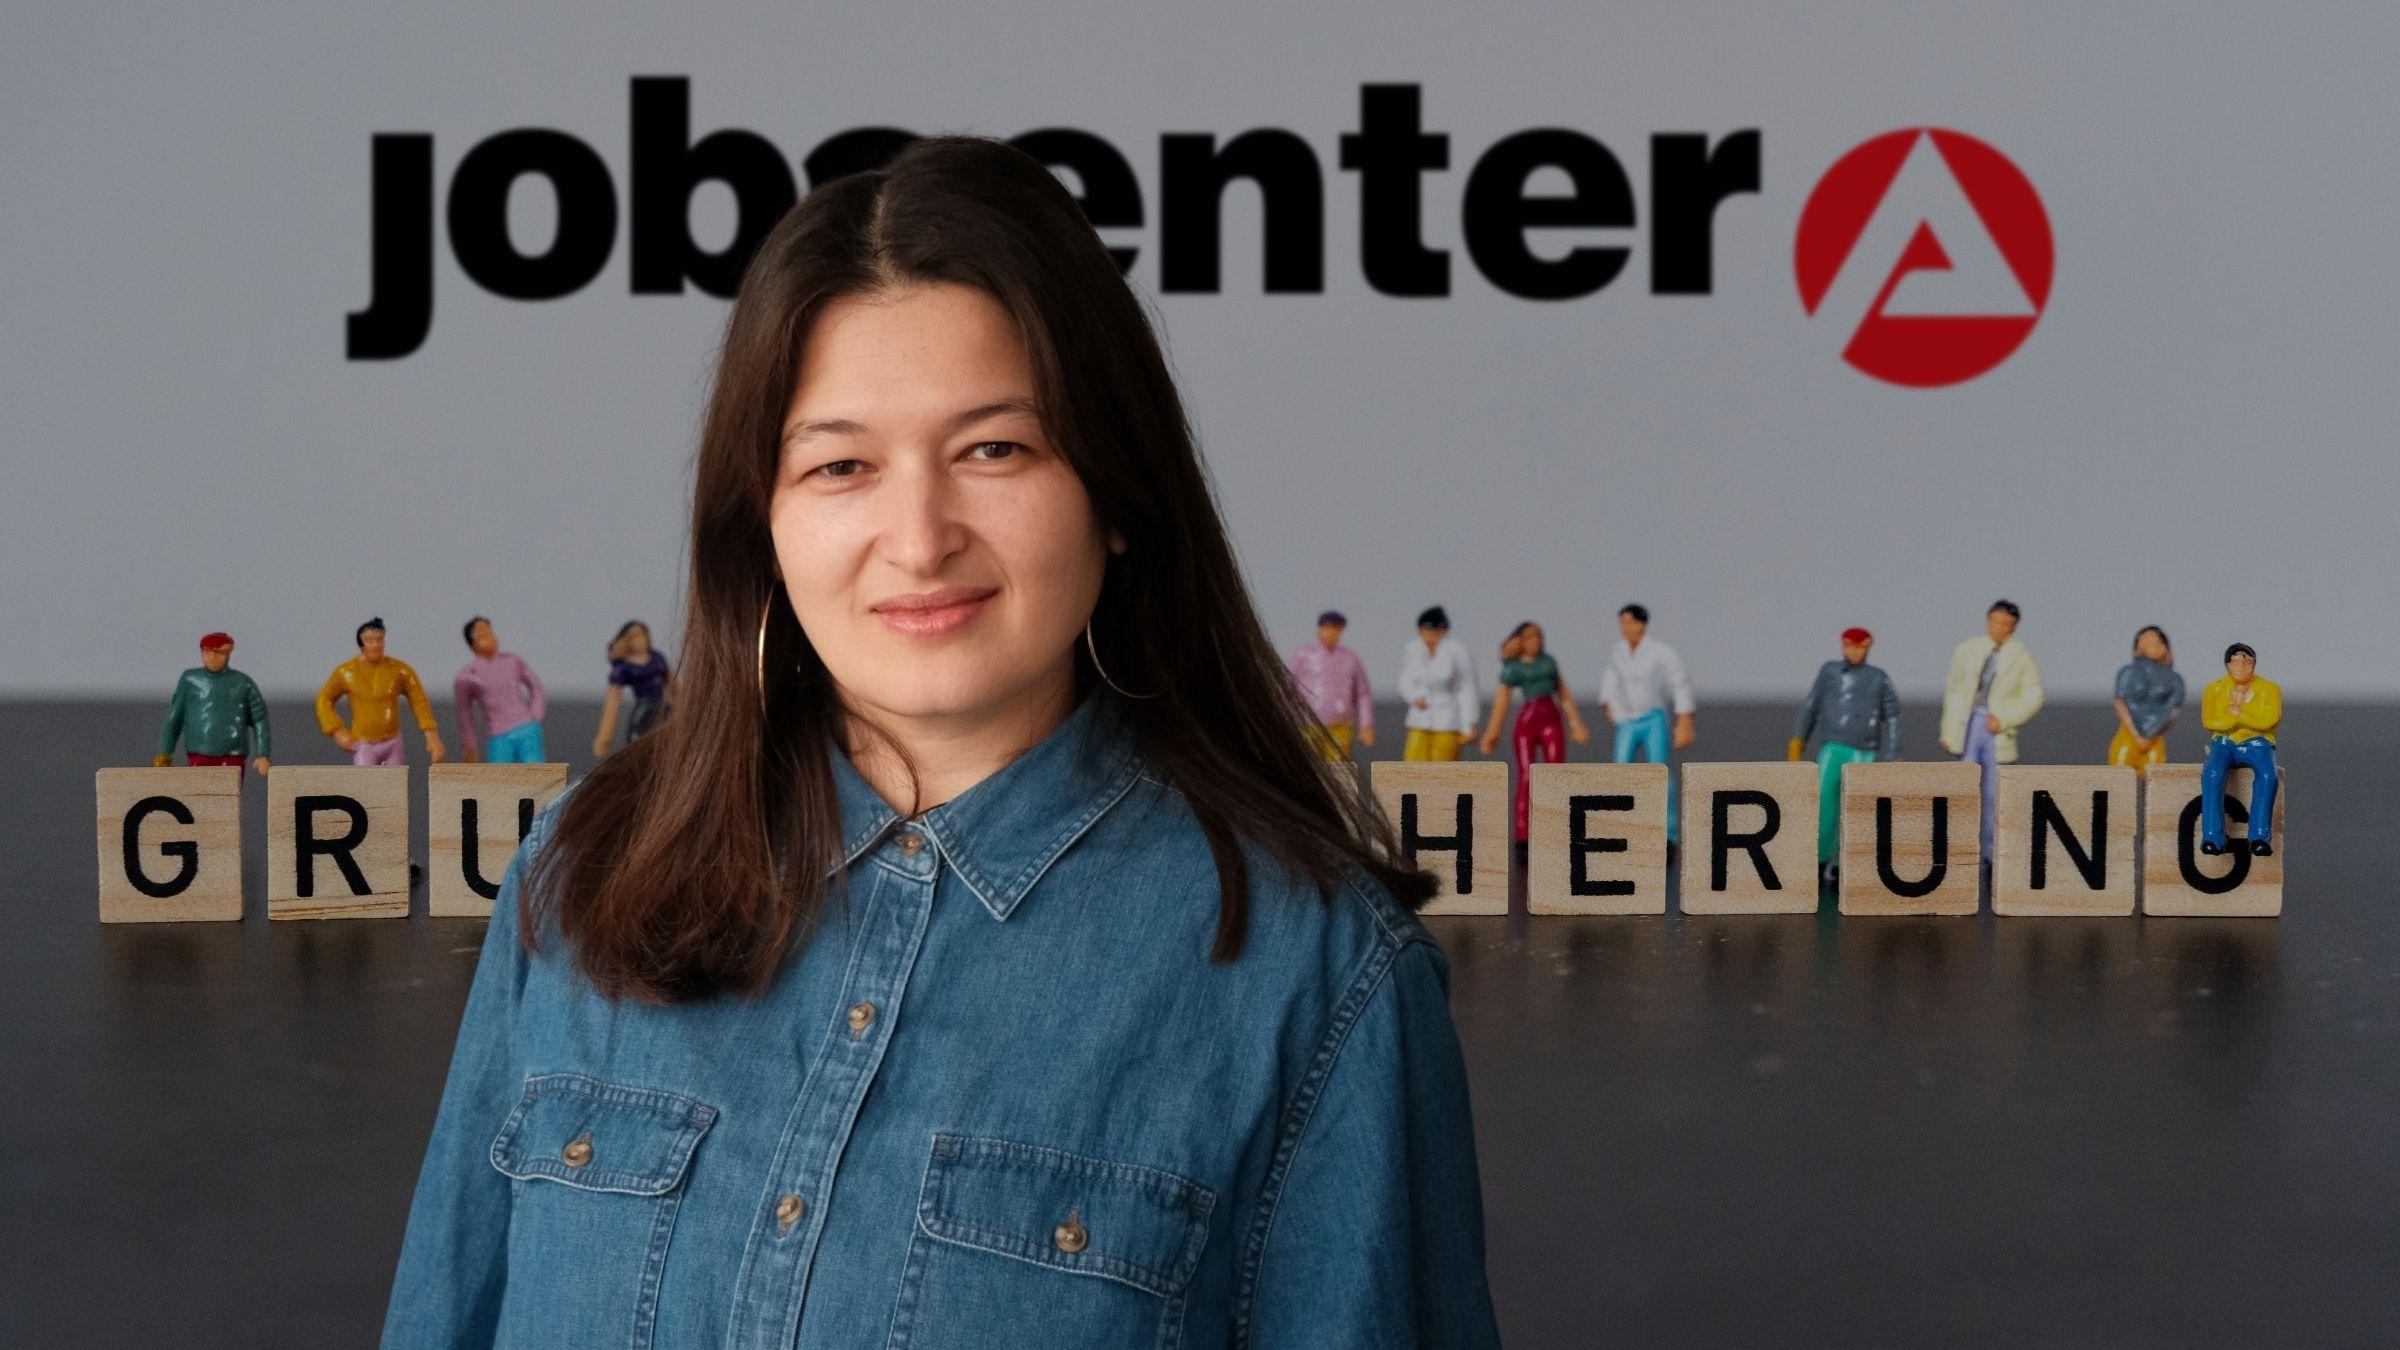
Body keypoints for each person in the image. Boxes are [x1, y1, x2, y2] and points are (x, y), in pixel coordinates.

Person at [381, 136, 1498, 1350]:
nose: (919, 539)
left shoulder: (1318, 975)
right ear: (764, 521)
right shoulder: (577, 878)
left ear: (1117, 492)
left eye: (995, 450)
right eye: (841, 464)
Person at [1788, 626, 1900, 879]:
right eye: (1849, 646)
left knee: (1858, 807)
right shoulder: (1829, 672)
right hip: (1833, 746)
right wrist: (1799, 738)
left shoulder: (1878, 677)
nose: (1855, 651)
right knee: (1823, 800)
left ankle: (1844, 863)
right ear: (1842, 646)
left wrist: (1893, 752)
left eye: (1860, 646)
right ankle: (1818, 858)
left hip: (1865, 750)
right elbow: (1811, 704)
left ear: (1868, 646)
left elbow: (1892, 715)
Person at [1940, 599, 2043, 860]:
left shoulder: (2020, 656)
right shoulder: (1968, 650)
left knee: (1994, 791)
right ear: (1988, 621)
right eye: (1996, 622)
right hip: (1969, 722)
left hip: (1996, 728)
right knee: (1964, 783)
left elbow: (2034, 697)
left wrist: (2005, 718)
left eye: (2007, 624)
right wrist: (1949, 729)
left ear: (2014, 627)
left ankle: (1991, 852)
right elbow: (1954, 690)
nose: (2000, 628)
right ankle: (1960, 849)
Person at [1479, 621, 1591, 844]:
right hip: (1528, 723)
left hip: (1552, 720)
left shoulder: (1548, 663)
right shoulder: (1514, 667)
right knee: (1526, 776)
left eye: (1539, 635)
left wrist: (1576, 723)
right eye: (1530, 636)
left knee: (1555, 774)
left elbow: (1564, 694)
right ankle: (1523, 833)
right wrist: (1492, 732)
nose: (1536, 640)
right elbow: (1502, 701)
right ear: (1520, 640)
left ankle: (1556, 829)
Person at [1597, 603, 1696, 841]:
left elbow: (1679, 681)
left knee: (1659, 772)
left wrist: (1684, 721)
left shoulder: (1660, 651)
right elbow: (1610, 678)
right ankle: (1621, 828)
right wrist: (1608, 702)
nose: (1625, 628)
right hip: (1627, 721)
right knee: (1621, 771)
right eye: (1622, 623)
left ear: (1642, 624)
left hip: (1653, 719)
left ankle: (1668, 832)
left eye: (1630, 622)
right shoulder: (1618, 651)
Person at [317, 617, 443, 766]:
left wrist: (432, 735)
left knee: (396, 785)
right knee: (367, 785)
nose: (376, 645)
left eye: (379, 640)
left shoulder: (399, 671)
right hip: (364, 744)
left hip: (393, 743)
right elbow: (323, 699)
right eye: (370, 640)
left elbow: (419, 700)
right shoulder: (346, 673)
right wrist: (337, 731)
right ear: (361, 644)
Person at [2199, 642, 2281, 856]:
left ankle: (2260, 836)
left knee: (2268, 775)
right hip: (2225, 742)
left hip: (2257, 742)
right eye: (2236, 662)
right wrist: (2237, 721)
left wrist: (2239, 715)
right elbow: (2210, 721)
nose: (2242, 666)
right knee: (2212, 773)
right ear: (2227, 665)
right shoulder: (2214, 689)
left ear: (2253, 664)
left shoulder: (2269, 689)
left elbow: (2269, 720)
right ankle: (2212, 837)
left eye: (2247, 661)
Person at [154, 630, 271, 777]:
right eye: (207, 653)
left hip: (233, 753)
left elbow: (259, 718)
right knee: (198, 792)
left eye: (218, 653)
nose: (212, 658)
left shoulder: (243, 682)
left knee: (230, 794)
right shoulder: (190, 680)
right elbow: (174, 717)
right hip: (199, 751)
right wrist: (165, 753)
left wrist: (263, 755)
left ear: (228, 653)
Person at [452, 616, 549, 764]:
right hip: (498, 733)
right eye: (483, 635)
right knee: (498, 779)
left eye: (490, 633)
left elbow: (535, 685)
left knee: (536, 773)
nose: (490, 638)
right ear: (472, 642)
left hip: (527, 727)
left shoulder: (513, 661)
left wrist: (536, 713)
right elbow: (464, 716)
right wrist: (469, 746)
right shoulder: (467, 676)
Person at [1286, 609, 1376, 761]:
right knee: (1307, 764)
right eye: (1326, 628)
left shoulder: (1350, 658)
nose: (1330, 633)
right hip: (1307, 723)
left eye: (1335, 629)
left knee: (1338, 768)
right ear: (1318, 630)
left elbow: (1362, 694)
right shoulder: (1303, 655)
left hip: (1339, 724)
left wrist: (1366, 724)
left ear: (1341, 631)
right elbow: (1287, 687)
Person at [1396, 605, 1480, 761]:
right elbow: (1404, 681)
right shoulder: (1413, 650)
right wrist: (1414, 697)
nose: (1429, 636)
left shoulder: (1456, 652)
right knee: (1413, 764)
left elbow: (1466, 688)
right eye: (1425, 631)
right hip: (1420, 718)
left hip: (1447, 719)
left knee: (1443, 767)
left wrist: (1469, 723)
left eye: (1434, 632)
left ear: (1443, 631)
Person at [591, 620, 673, 757]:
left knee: (672, 735)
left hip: (663, 705)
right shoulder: (623, 667)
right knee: (635, 740)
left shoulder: (657, 659)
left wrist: (690, 705)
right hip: (644, 706)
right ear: (626, 640)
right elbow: (612, 704)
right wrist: (604, 738)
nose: (640, 639)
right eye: (634, 636)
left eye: (642, 634)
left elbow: (674, 686)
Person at [2108, 625, 2183, 771]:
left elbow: (2173, 710)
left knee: (2155, 777)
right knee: (2119, 774)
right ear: (2137, 648)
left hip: (2154, 739)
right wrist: (2137, 735)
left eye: (2158, 641)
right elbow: (2120, 701)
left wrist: (2151, 736)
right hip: (2128, 734)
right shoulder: (2128, 672)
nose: (2153, 644)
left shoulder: (2174, 679)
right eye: (2147, 640)